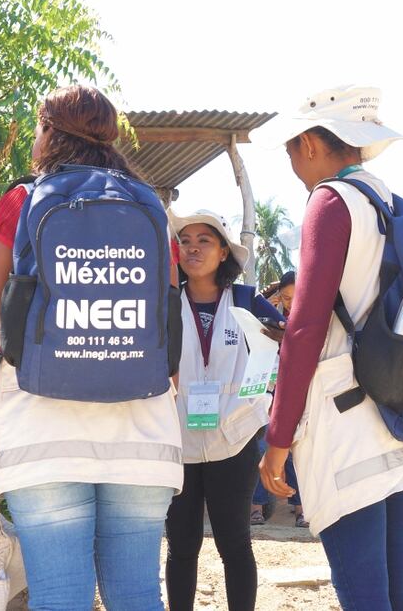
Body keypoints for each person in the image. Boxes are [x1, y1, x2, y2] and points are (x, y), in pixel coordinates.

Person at [0, 84, 183, 611]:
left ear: (49, 133)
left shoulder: (23, 201)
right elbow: (167, 323)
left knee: (60, 597)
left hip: (42, 430)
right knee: (138, 596)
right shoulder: (149, 206)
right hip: (143, 429)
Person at [254, 86, 403, 611]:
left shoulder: (330, 202)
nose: (293, 164)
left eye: (291, 150)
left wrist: (279, 436)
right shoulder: (393, 204)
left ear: (310, 144)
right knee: (396, 586)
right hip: (393, 412)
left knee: (363, 593)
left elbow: (305, 328)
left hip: (344, 420)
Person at [163, 209, 284, 611]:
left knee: (234, 544)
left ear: (223, 253)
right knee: (182, 545)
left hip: (235, 439)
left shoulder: (248, 301)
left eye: (204, 241)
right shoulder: (164, 303)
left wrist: (281, 342)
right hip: (178, 442)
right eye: (185, 241)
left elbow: (291, 345)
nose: (193, 249)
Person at [250, 270, 306, 528]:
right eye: (285, 297)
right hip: (267, 396)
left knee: (295, 454)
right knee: (262, 449)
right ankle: (256, 507)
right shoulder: (270, 320)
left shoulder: (311, 322)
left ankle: (301, 507)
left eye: (296, 297)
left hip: (299, 398)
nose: (291, 303)